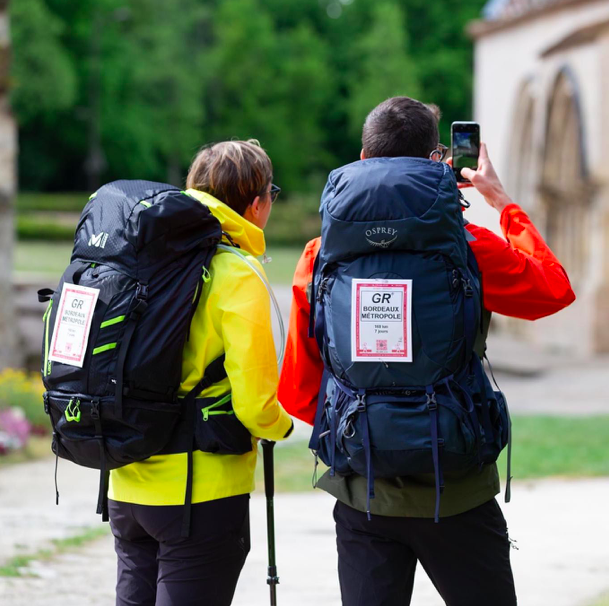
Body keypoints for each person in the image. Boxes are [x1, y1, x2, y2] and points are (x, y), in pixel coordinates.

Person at [278, 97, 575, 605]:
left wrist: (370, 430)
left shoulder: (319, 254)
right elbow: (553, 290)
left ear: (365, 157)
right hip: (456, 488)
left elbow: (299, 390)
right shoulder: (468, 244)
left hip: (362, 493)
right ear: (436, 158)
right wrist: (503, 202)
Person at [108, 140, 293, 606]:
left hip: (126, 480)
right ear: (257, 203)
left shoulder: (137, 255)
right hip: (200, 492)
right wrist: (281, 426)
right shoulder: (236, 272)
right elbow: (255, 404)